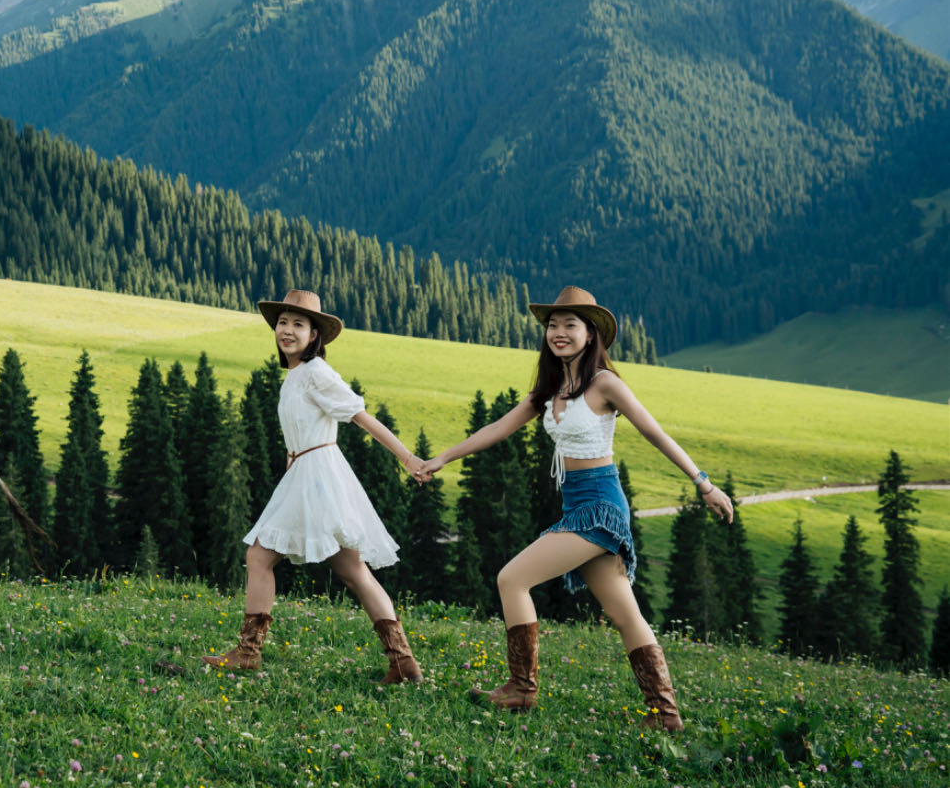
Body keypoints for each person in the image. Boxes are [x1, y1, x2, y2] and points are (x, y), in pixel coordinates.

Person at [414, 286, 734, 731]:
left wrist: (704, 484)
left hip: (600, 505)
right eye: (552, 325)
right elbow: (497, 429)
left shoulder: (604, 383)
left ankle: (522, 688)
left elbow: (655, 433)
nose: (559, 333)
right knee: (625, 614)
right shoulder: (548, 390)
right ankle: (665, 714)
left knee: (512, 578)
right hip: (578, 503)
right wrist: (442, 458)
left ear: (591, 334)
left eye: (570, 325)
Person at [201, 289, 427, 683]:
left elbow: (360, 415)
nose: (287, 331)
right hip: (306, 474)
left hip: (318, 476)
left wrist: (407, 458)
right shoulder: (296, 375)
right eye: (283, 323)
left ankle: (249, 652)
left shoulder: (317, 374)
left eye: (298, 325)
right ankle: (403, 663)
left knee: (260, 557)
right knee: (353, 571)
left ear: (314, 335)